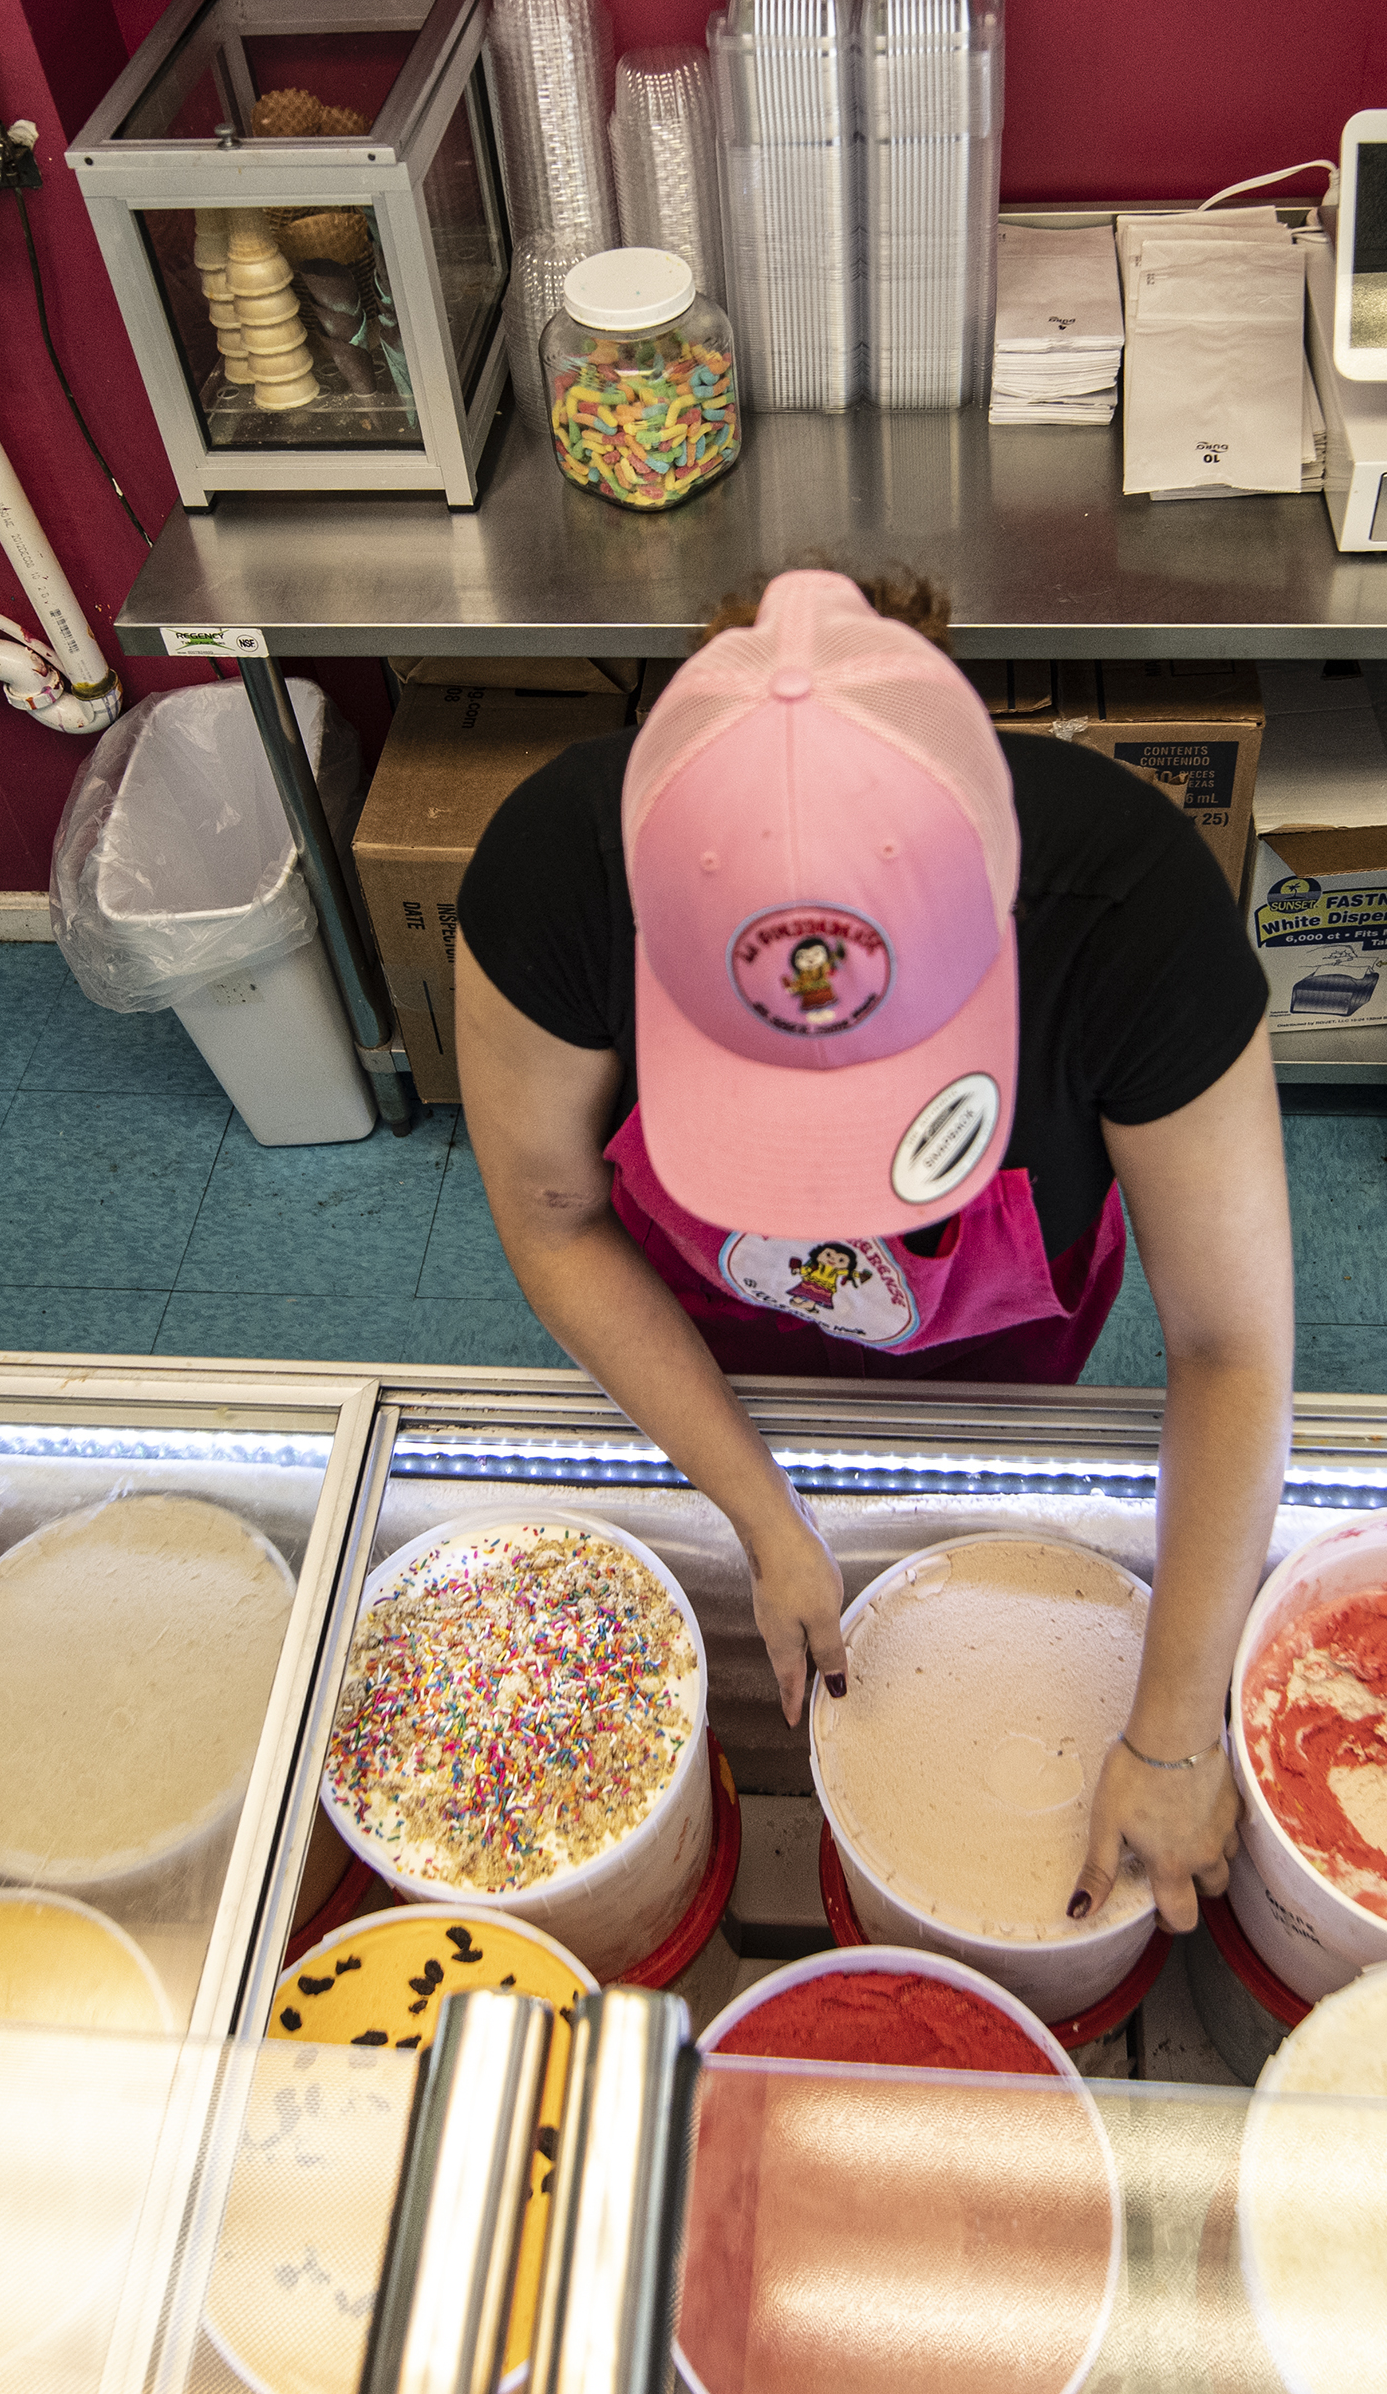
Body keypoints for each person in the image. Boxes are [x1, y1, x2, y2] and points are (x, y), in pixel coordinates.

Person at [454, 568, 1292, 1930]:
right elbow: (555, 1217)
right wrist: (760, 1508)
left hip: (993, 1350)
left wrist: (1178, 1731)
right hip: (697, 1330)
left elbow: (1229, 1343)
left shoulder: (1134, 913)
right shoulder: (560, 865)